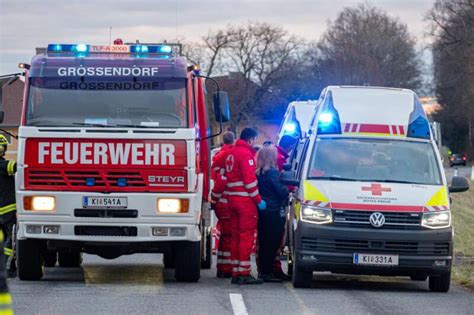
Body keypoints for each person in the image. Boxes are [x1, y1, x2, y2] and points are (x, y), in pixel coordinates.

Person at [225, 128, 266, 285]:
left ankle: (236, 270)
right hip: (244, 202)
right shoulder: (245, 155)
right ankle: (243, 272)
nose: (254, 143)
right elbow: (249, 181)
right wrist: (258, 200)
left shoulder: (231, 153)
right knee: (246, 236)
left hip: (231, 200)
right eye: (254, 139)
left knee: (235, 235)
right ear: (250, 139)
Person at [255, 145, 289, 282]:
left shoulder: (258, 173)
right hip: (274, 210)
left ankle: (263, 271)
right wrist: (286, 189)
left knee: (263, 242)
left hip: (262, 211)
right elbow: (280, 192)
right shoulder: (273, 173)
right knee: (272, 243)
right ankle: (267, 273)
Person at [210, 131, 235, 278]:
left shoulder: (218, 156)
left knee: (225, 235)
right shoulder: (233, 155)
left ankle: (222, 266)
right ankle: (227, 267)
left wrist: (214, 199)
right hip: (229, 200)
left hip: (221, 201)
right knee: (230, 236)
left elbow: (215, 179)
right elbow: (223, 180)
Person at [0, 135, 17, 278]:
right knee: (11, 240)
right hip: (6, 210)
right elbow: (16, 167)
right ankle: (7, 268)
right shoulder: (3, 165)